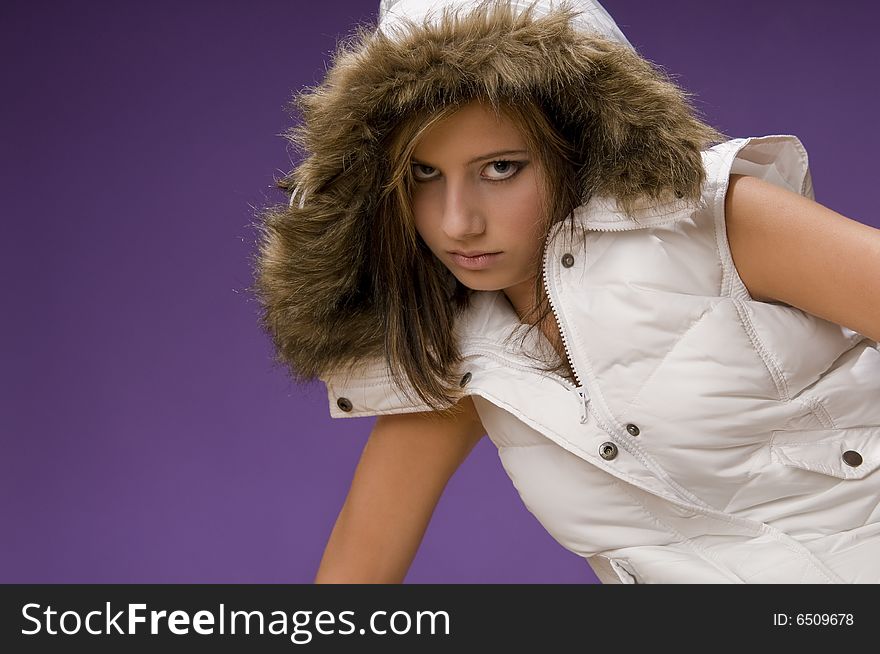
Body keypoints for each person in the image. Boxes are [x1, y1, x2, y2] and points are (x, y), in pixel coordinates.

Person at [253, 0, 880, 583]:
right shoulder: (460, 358)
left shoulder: (717, 221)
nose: (456, 222)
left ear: (579, 142)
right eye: (424, 174)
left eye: (501, 168)